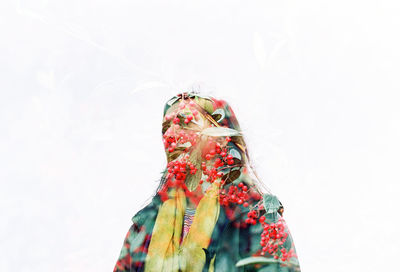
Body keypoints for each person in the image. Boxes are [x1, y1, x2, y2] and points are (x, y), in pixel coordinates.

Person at [113, 91, 301, 271]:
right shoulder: (144, 226)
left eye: (184, 123)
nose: (170, 136)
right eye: (165, 128)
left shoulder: (259, 220)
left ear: (220, 137)